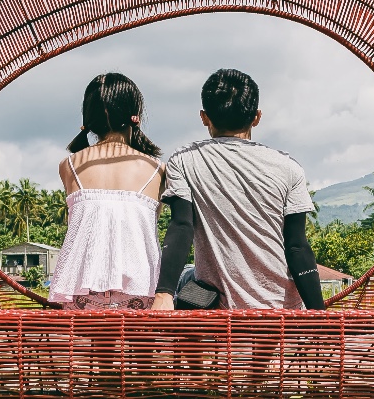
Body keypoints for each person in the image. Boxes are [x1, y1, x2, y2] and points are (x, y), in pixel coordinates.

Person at [154, 68, 325, 311]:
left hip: (218, 303)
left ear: (204, 117)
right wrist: (319, 314)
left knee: (186, 276)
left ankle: (190, 349)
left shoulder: (184, 161)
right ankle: (264, 349)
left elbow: (182, 226)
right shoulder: (288, 167)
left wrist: (164, 294)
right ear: (257, 117)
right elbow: (297, 246)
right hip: (278, 305)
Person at [47, 73, 165, 309]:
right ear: (135, 116)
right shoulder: (156, 169)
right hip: (140, 285)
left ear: (88, 116)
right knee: (139, 347)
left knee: (93, 348)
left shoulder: (69, 166)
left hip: (81, 287)